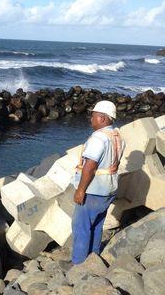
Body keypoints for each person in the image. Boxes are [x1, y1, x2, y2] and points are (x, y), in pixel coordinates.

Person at [71, 100, 125, 264]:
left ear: (102, 118)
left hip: (94, 190)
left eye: (93, 116)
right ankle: (93, 260)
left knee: (81, 227)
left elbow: (90, 166)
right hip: (109, 189)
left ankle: (78, 264)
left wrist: (81, 190)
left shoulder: (99, 138)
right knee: (97, 225)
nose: (90, 119)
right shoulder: (117, 136)